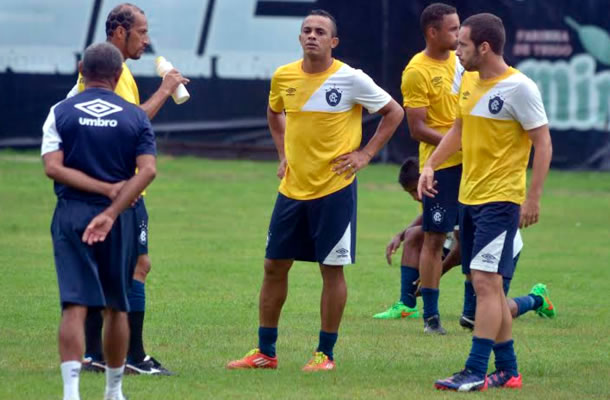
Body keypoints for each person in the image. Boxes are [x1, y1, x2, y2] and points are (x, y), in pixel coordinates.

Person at [226, 9, 403, 372]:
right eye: (306, 30)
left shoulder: (351, 79)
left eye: (320, 31)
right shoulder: (284, 76)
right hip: (292, 189)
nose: (312, 36)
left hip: (334, 190)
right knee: (274, 265)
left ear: (333, 42)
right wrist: (283, 154)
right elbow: (275, 112)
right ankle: (265, 352)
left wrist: (366, 154)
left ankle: (325, 354)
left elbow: (394, 112)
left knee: (331, 270)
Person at [418, 13, 553, 391]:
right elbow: (458, 129)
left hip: (501, 200)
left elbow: (543, 144)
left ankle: (476, 369)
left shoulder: (520, 88)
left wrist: (533, 197)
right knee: (489, 287)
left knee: (485, 283)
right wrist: (431, 165)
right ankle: (508, 371)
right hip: (469, 198)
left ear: (484, 47)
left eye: (462, 44)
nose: (456, 50)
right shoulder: (468, 80)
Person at [67, 3, 188, 375]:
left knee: (104, 269)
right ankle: (133, 357)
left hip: (103, 185)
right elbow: (130, 124)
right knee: (137, 265)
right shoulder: (114, 75)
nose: (147, 40)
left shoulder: (108, 70)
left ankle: (93, 354)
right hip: (122, 189)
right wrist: (167, 89)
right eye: (142, 31)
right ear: (119, 31)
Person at [41, 42, 157, 400]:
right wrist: (112, 204)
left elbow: (53, 167)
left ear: (81, 69)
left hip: (73, 214)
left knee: (74, 304)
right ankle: (113, 391)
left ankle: (71, 393)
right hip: (120, 218)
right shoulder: (135, 116)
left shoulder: (60, 111)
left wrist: (102, 191)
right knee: (117, 305)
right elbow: (148, 170)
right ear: (119, 74)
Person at [376, 158, 556, 325]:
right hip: (462, 242)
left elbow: (462, 250)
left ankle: (537, 299)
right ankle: (407, 306)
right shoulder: (437, 189)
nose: (416, 196)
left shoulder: (456, 188)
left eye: (416, 189)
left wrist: (434, 275)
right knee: (413, 235)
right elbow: (429, 217)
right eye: (411, 193)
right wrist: (400, 235)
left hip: (497, 245)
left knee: (482, 317)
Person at [400, 3, 463, 334]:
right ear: (432, 32)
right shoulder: (416, 71)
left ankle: (472, 311)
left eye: (459, 27)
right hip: (438, 169)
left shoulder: (462, 62)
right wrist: (458, 141)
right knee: (434, 239)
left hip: (472, 165)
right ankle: (431, 317)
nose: (458, 33)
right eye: (452, 29)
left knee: (469, 237)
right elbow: (417, 128)